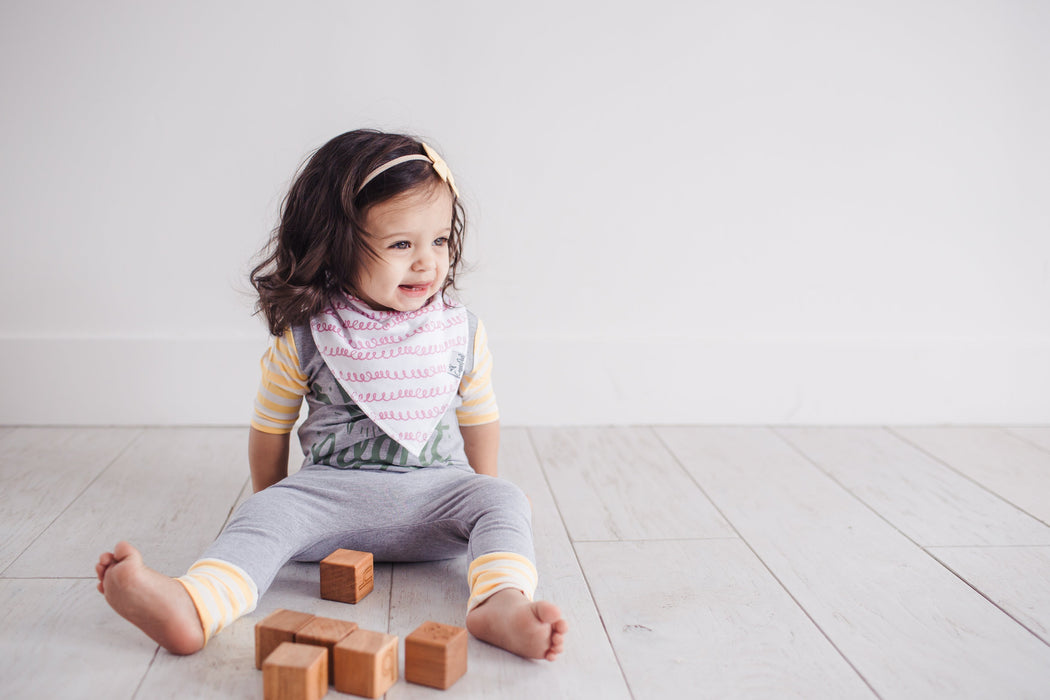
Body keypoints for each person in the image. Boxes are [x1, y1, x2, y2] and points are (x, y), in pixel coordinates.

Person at [95, 129, 568, 662]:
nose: (427, 262)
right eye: (400, 244)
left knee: (504, 500)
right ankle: (196, 604)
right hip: (326, 503)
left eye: (439, 240)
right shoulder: (307, 334)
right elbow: (270, 426)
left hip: (438, 505)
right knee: (260, 518)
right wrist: (272, 502)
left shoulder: (460, 331)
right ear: (336, 245)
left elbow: (480, 417)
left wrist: (480, 491)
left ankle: (499, 602)